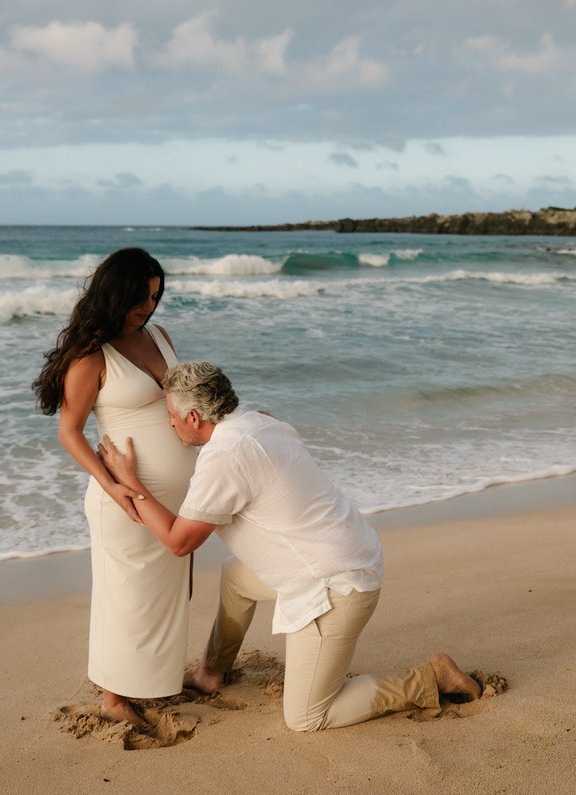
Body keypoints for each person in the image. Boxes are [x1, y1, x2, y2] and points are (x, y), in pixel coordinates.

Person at [98, 361, 482, 732]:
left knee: (306, 717)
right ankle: (211, 671)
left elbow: (179, 543)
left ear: (195, 417)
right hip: (349, 554)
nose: (169, 422)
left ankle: (432, 678)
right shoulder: (261, 421)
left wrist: (132, 482)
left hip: (335, 586)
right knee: (236, 576)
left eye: (172, 415)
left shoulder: (224, 457)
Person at [32, 247, 197, 727]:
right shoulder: (90, 355)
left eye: (155, 294)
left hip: (172, 494)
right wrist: (112, 485)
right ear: (115, 293)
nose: (149, 305)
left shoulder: (160, 337)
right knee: (124, 593)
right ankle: (113, 697)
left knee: (165, 592)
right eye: (140, 296)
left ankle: (155, 682)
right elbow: (69, 431)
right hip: (122, 497)